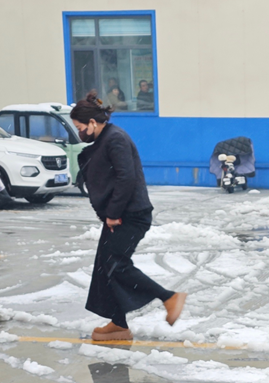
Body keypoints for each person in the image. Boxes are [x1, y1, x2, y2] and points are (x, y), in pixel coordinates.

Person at [70, 95, 185, 344]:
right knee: (105, 266)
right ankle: (118, 324)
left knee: (115, 263)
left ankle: (169, 298)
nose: (79, 133)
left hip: (131, 215)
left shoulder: (115, 139)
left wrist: (112, 214)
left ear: (92, 122)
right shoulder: (105, 138)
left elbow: (126, 178)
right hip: (119, 214)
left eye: (80, 128)